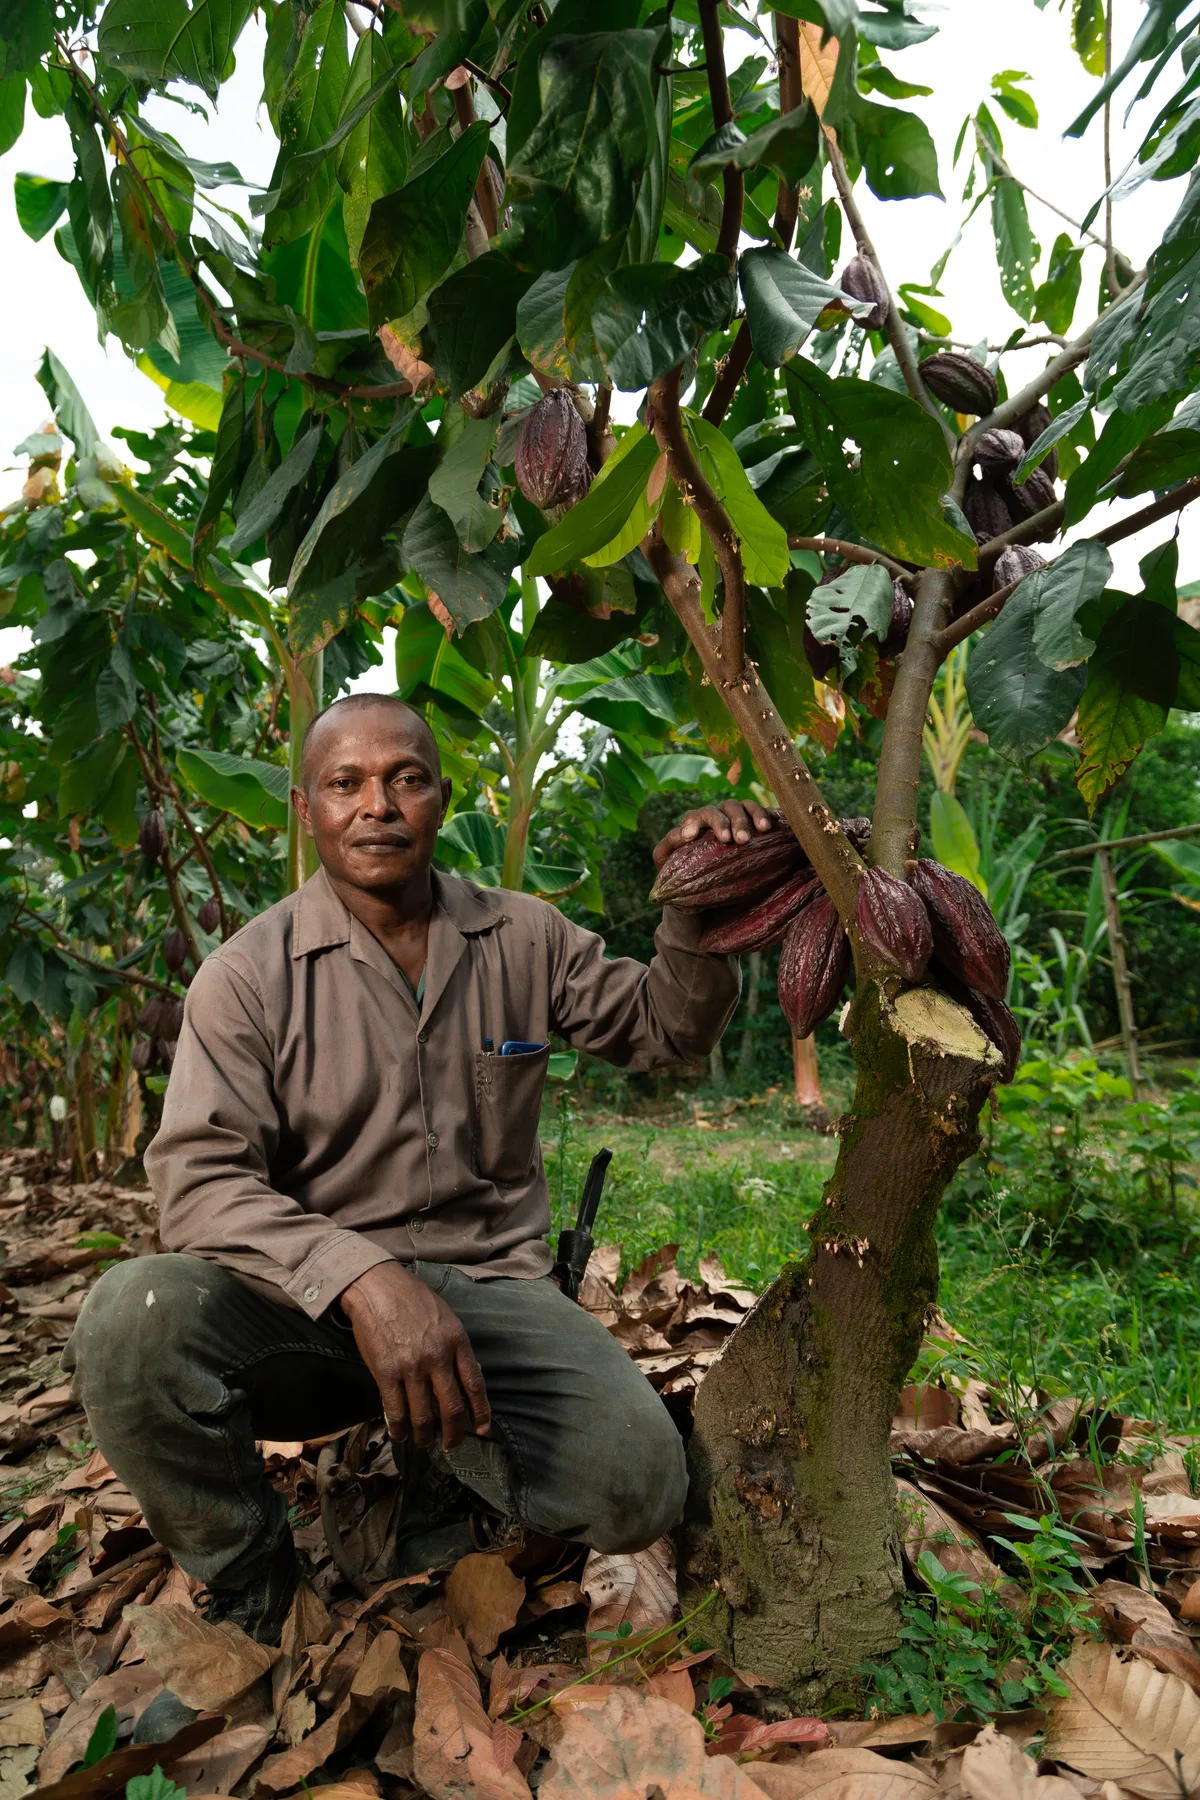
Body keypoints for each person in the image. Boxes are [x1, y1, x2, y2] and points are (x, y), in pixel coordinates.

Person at [67, 695, 777, 1643]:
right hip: (306, 1312)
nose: (378, 806)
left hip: (489, 1291)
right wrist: (363, 1280)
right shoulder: (247, 976)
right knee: (129, 1320)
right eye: (345, 784)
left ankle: (453, 1467)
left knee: (641, 1488)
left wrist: (697, 907)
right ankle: (252, 1582)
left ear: (441, 796)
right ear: (305, 807)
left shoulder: (523, 937)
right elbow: (198, 1184)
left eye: (405, 779)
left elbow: (667, 1027)